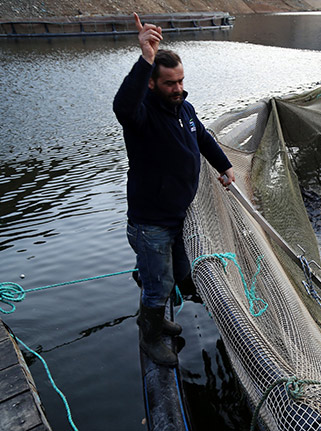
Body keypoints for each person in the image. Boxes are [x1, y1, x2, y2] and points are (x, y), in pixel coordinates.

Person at [113, 13, 235, 366]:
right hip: (150, 222)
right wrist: (146, 58)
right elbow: (122, 105)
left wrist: (224, 166)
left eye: (181, 81)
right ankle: (149, 338)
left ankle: (152, 301)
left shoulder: (183, 106)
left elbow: (203, 138)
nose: (178, 88)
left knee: (179, 271)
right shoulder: (140, 116)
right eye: (170, 83)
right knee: (157, 285)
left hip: (177, 214)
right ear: (151, 84)